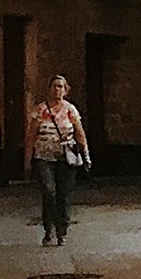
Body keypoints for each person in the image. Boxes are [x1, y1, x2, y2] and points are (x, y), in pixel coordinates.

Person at [26, 73, 90, 246]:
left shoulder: (70, 110)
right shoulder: (40, 110)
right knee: (49, 192)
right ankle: (49, 229)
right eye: (54, 86)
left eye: (61, 86)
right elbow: (31, 136)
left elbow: (80, 133)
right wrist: (27, 160)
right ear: (49, 89)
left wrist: (86, 154)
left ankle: (62, 229)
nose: (57, 90)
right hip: (44, 157)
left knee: (64, 194)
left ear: (66, 90)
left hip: (65, 158)